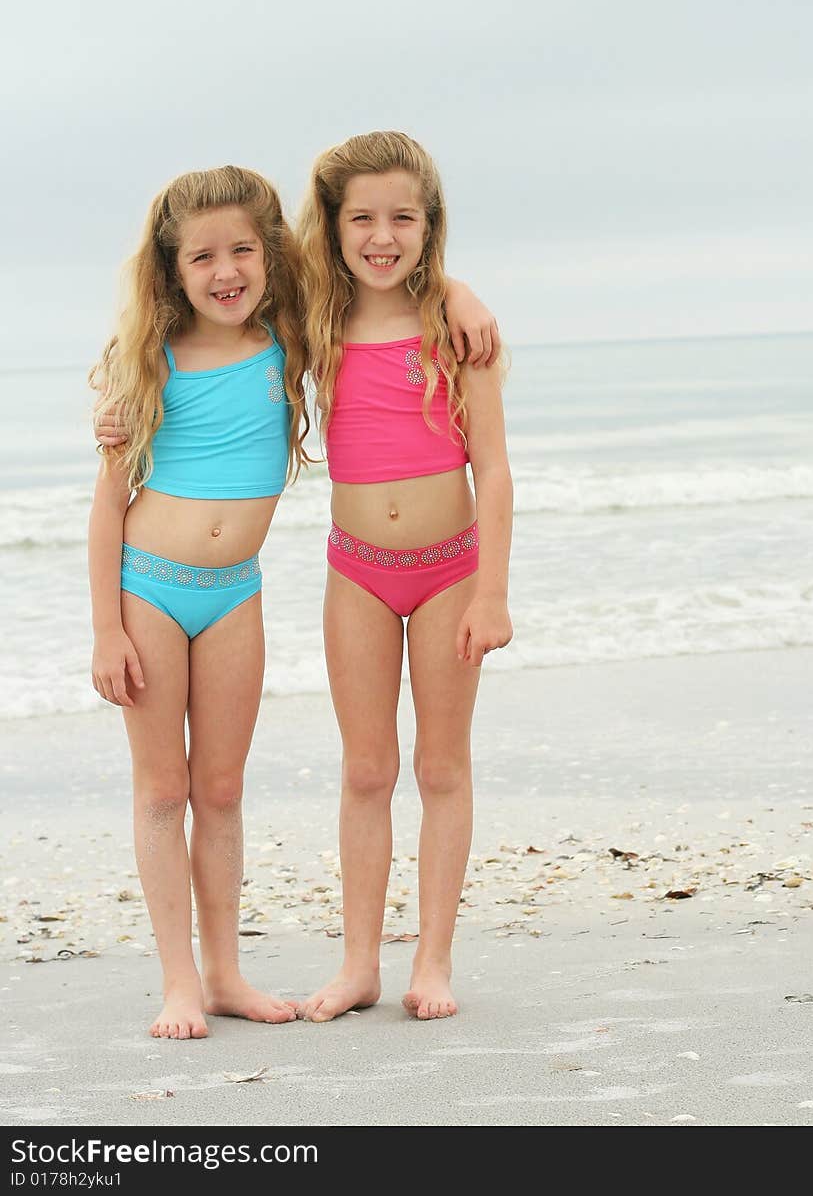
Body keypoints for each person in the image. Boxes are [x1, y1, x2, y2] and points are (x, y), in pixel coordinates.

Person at [90, 164, 500, 1039]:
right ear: (171, 268)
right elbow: (108, 501)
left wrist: (459, 289)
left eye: (244, 249)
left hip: (254, 590)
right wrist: (102, 629)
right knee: (179, 788)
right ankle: (196, 980)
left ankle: (273, 970)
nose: (227, 268)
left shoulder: (296, 328)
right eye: (202, 255)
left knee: (246, 785)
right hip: (167, 589)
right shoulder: (192, 349)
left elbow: (388, 276)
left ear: (272, 254)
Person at [296, 130, 513, 1022]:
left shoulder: (459, 328)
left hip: (450, 573)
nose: (382, 235)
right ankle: (358, 966)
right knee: (364, 770)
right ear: (333, 225)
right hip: (357, 574)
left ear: (431, 226)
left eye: (403, 218)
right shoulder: (310, 316)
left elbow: (494, 468)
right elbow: (209, 306)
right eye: (362, 218)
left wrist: (493, 592)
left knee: (441, 768)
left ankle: (432, 961)